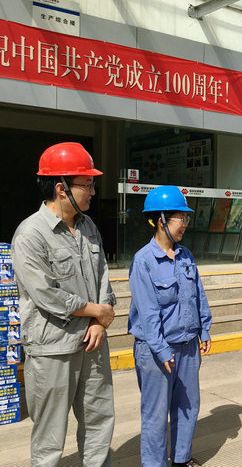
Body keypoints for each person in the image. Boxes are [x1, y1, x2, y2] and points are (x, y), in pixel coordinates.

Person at [12, 142, 116, 466]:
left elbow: (103, 279)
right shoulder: (30, 235)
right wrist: (96, 311)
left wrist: (100, 322)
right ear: (61, 188)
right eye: (87, 184)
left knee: (99, 425)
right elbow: (46, 294)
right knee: (49, 440)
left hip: (92, 345)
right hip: (52, 350)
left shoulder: (88, 228)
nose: (94, 191)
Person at [128, 185, 212, 467]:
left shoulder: (186, 255)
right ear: (161, 219)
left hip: (188, 345)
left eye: (186, 218)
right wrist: (162, 351)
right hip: (156, 352)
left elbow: (198, 294)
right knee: (155, 414)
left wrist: (205, 328)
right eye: (180, 218)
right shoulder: (144, 261)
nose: (185, 224)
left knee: (188, 407)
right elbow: (148, 313)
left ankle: (181, 459)